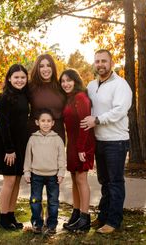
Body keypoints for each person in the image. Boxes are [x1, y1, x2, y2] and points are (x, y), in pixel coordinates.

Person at [80, 49, 132, 234]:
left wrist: (98, 120)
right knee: (104, 181)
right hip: (99, 141)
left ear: (111, 63)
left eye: (104, 61)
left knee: (115, 182)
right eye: (97, 61)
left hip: (116, 141)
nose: (100, 64)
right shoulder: (92, 85)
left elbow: (120, 110)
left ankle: (113, 221)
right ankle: (103, 216)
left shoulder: (120, 85)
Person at [0, 64, 30, 230]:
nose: (20, 80)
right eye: (16, 77)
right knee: (9, 181)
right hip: (7, 145)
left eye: (23, 77)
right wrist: (9, 149)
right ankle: (2, 217)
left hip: (21, 144)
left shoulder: (24, 95)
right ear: (9, 78)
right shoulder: (4, 98)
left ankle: (11, 214)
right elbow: (3, 124)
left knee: (17, 181)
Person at [59, 69, 95, 232]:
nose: (65, 84)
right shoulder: (69, 98)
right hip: (72, 144)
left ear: (76, 81)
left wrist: (81, 148)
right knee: (74, 179)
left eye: (69, 80)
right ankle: (76, 214)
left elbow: (85, 125)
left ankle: (85, 218)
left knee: (81, 179)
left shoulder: (81, 97)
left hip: (83, 143)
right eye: (63, 81)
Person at [24, 108, 66, 235]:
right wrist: (27, 171)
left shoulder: (57, 139)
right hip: (36, 175)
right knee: (35, 200)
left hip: (53, 176)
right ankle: (37, 223)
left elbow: (61, 157)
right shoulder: (32, 139)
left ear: (53, 123)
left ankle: (52, 224)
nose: (46, 123)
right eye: (43, 121)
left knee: (53, 202)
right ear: (37, 122)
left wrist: (61, 172)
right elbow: (28, 156)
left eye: (48, 121)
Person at [28, 54, 66, 142]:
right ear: (37, 69)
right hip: (36, 136)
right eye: (41, 66)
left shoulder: (61, 86)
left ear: (53, 68)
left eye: (48, 65)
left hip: (57, 135)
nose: (45, 69)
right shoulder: (30, 86)